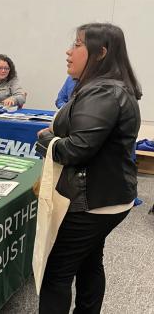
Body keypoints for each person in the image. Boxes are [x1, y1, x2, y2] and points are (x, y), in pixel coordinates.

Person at [35, 23, 142, 314]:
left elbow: (76, 150)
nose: (68, 52)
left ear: (100, 52)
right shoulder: (105, 87)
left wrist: (47, 140)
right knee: (89, 261)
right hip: (105, 196)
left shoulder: (104, 92)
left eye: (78, 45)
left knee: (56, 273)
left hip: (90, 201)